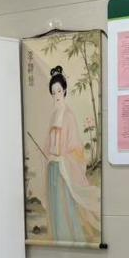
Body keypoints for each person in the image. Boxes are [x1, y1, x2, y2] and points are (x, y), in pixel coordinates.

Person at [42, 65, 101, 245]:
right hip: (53, 168)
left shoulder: (68, 116)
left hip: (64, 170)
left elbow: (76, 148)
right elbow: (48, 145)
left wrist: (62, 158)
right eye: (53, 92)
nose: (56, 95)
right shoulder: (53, 115)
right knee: (55, 208)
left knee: (65, 208)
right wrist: (49, 157)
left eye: (59, 91)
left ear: (65, 90)